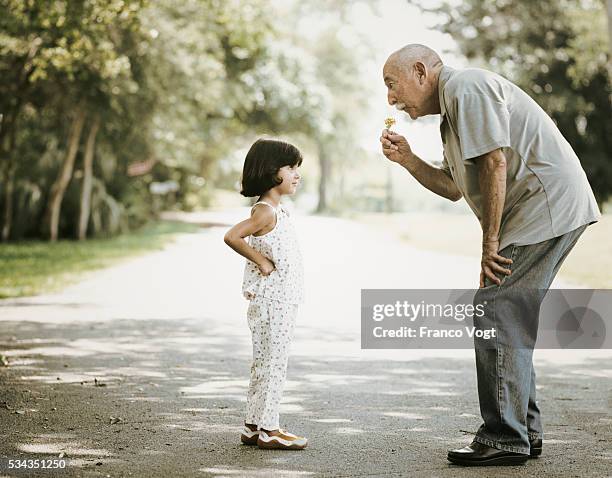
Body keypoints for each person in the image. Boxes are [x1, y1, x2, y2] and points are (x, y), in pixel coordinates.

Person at [380, 44, 600, 466]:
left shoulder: (467, 88)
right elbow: (451, 187)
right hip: (543, 210)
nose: (391, 98)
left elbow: (495, 163)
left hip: (545, 207)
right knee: (506, 312)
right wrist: (408, 159)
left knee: (497, 309)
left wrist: (489, 244)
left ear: (421, 71)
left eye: (392, 84)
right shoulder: (452, 115)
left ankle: (504, 435)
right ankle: (523, 431)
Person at [224, 138, 308, 450]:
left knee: (264, 364)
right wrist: (261, 261)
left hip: (276, 300)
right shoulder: (265, 212)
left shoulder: (274, 209)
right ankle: (269, 429)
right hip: (275, 302)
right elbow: (232, 236)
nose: (297, 175)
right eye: (291, 168)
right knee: (274, 365)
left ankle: (253, 425)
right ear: (272, 171)